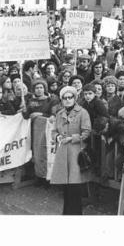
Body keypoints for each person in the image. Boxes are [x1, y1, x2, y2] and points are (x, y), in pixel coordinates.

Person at [49, 86, 92, 215]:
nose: (67, 100)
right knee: (66, 186)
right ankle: (66, 213)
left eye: (70, 97)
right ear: (61, 100)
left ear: (75, 98)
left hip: (76, 151)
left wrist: (72, 138)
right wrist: (57, 137)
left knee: (75, 185)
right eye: (65, 98)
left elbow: (86, 132)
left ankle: (76, 214)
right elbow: (53, 131)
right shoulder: (59, 113)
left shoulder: (82, 112)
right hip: (63, 152)